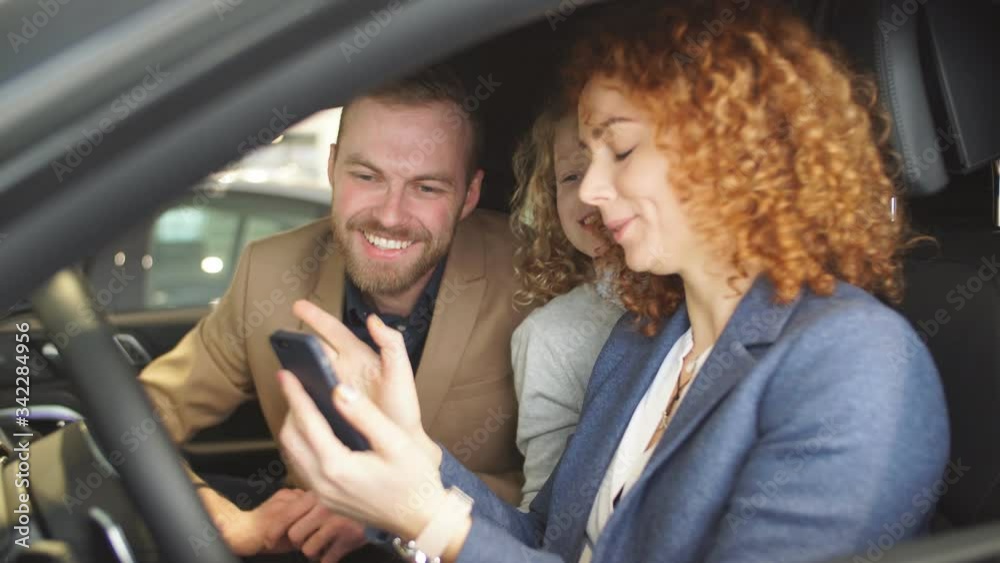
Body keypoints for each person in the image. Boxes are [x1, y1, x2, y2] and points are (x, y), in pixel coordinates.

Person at [274, 2, 950, 562]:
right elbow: (554, 544)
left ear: (731, 147)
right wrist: (418, 456)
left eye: (621, 150)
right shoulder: (643, 341)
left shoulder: (856, 363)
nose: (593, 190)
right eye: (588, 158)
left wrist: (432, 522)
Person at [137, 66, 529, 562]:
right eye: (367, 177)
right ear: (332, 166)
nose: (389, 214)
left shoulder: (532, 277)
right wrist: (215, 515)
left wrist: (388, 516)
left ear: (470, 195)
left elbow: (566, 500)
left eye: (426, 188)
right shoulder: (268, 270)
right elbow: (138, 421)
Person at [508, 104, 624, 510]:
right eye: (571, 176)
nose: (592, 190)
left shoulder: (705, 299)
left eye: (619, 158)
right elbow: (548, 508)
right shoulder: (549, 335)